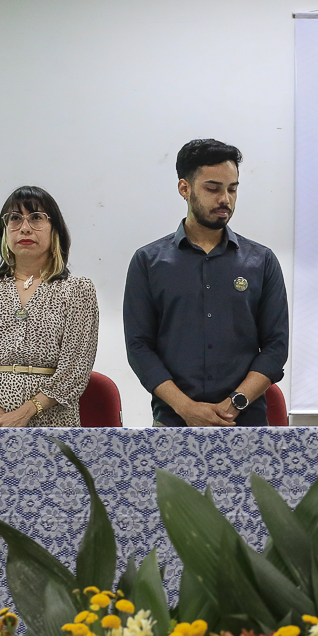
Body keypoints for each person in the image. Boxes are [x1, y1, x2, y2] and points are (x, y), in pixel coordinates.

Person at [124, 139, 289, 426]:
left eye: (232, 189)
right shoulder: (148, 262)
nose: (225, 199)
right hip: (173, 424)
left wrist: (233, 405)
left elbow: (276, 347)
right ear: (184, 188)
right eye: (213, 188)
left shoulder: (261, 261)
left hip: (245, 425)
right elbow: (139, 348)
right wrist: (186, 408)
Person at [0, 186, 99, 427]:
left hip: (52, 420)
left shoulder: (77, 291)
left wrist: (26, 412)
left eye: (36, 218)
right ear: (4, 232)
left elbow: (75, 371)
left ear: (55, 230)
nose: (25, 228)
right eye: (15, 219)